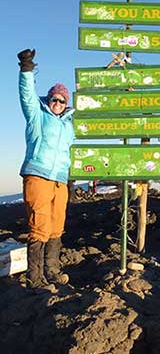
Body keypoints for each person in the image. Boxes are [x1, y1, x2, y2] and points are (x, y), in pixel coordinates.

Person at [17, 49, 75, 292]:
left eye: (62, 100)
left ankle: (52, 271)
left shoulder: (69, 124)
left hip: (60, 180)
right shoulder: (37, 116)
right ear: (48, 99)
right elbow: (27, 95)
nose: (58, 103)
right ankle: (35, 278)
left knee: (56, 226)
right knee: (39, 225)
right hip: (38, 175)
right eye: (54, 99)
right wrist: (26, 68)